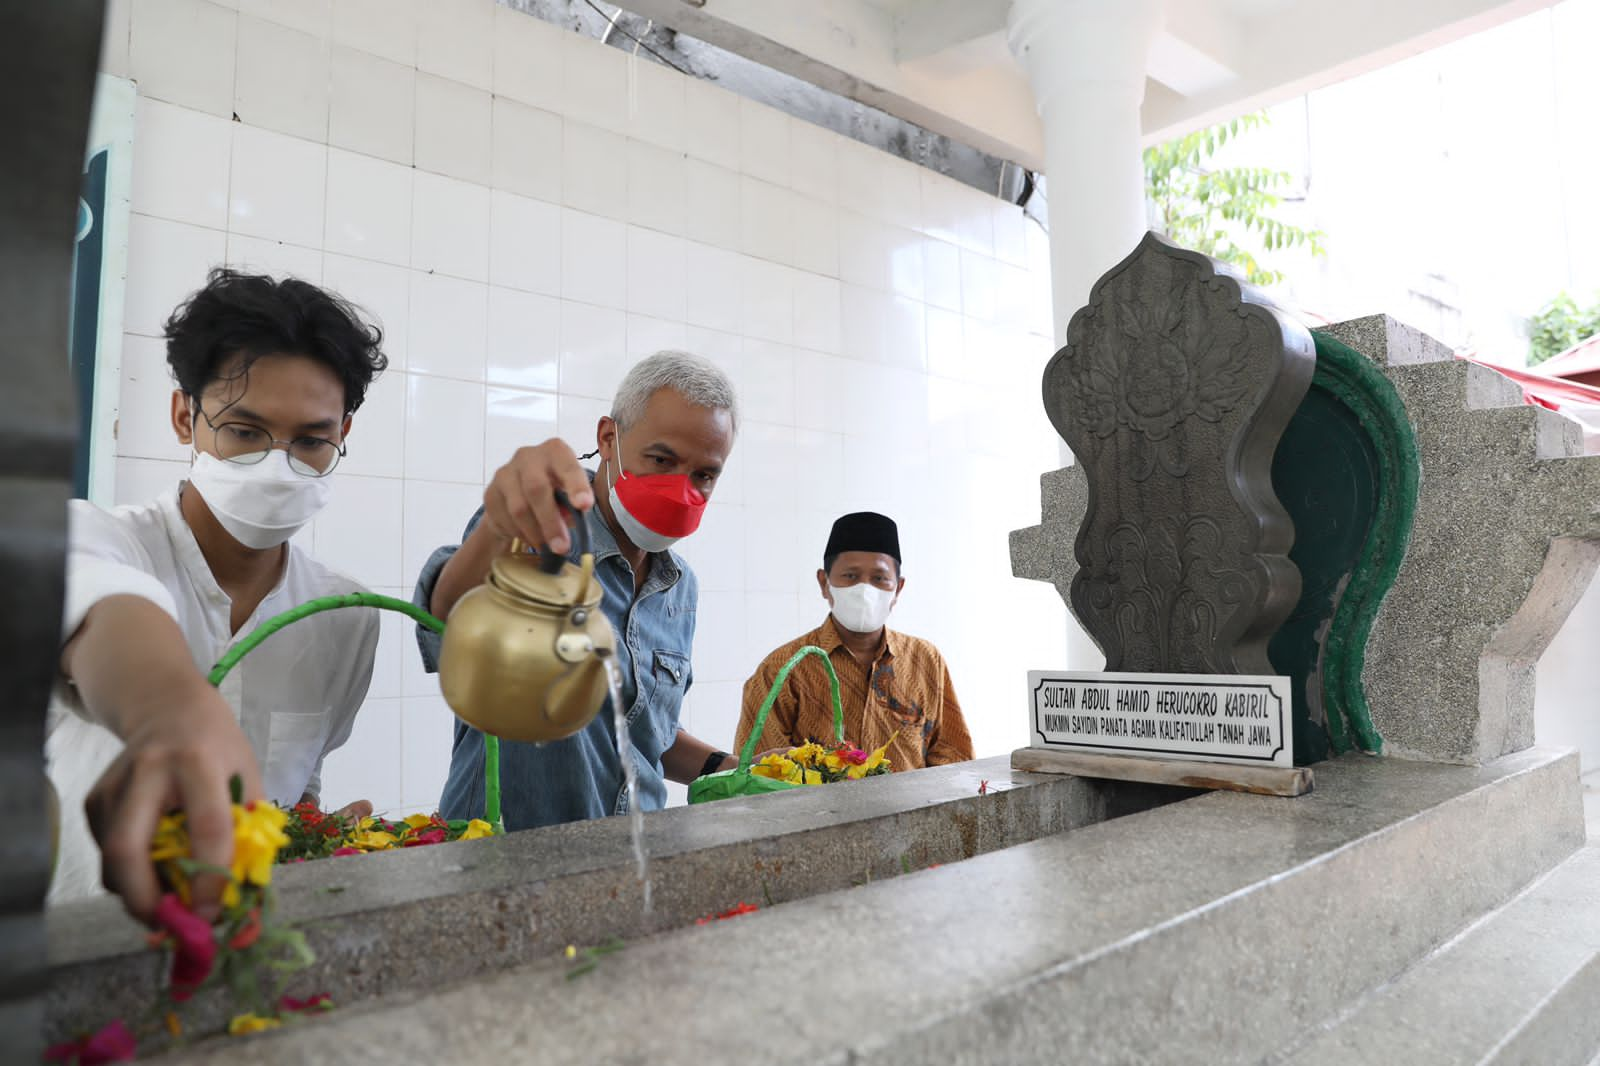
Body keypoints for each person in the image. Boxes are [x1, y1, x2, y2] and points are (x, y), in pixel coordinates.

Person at [48, 269, 385, 920]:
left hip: (242, 958)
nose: (277, 465)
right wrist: (167, 710)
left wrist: (317, 842)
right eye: (245, 431)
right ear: (185, 417)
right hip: (77, 953)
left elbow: (299, 786)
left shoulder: (347, 616)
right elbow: (103, 606)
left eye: (310, 441)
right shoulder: (98, 539)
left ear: (341, 435)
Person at [414, 351, 741, 830]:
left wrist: (732, 770)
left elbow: (646, 732)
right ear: (608, 438)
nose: (681, 489)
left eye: (703, 475)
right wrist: (497, 528)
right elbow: (445, 622)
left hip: (636, 856)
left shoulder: (679, 589)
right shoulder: (538, 530)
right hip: (509, 857)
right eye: (661, 460)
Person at [735, 511, 973, 771]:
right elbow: (759, 773)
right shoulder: (783, 669)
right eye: (850, 576)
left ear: (898, 588)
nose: (864, 590)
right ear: (824, 583)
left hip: (913, 811)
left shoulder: (926, 660)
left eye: (879, 578)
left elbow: (953, 758)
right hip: (813, 812)